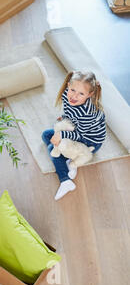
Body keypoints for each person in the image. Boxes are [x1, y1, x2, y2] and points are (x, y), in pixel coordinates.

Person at [42, 71, 106, 200]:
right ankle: (67, 156)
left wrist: (61, 134)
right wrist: (64, 120)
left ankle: (65, 180)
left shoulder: (88, 112)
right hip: (77, 130)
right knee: (46, 135)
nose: (74, 96)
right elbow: (69, 112)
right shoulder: (67, 95)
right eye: (72, 90)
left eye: (81, 94)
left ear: (90, 94)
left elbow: (81, 135)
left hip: (89, 141)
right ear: (68, 86)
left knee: (51, 148)